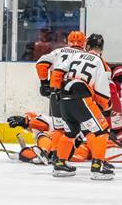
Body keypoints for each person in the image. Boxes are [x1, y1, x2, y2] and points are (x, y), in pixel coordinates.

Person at [49, 33, 114, 180]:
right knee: (102, 130)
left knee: (71, 131)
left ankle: (60, 164)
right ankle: (98, 166)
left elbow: (58, 71)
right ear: (101, 49)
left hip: (63, 97)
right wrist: (107, 106)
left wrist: (54, 89)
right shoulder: (101, 63)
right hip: (82, 98)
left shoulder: (75, 56)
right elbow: (102, 92)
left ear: (87, 46)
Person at [35, 31, 87, 163]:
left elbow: (41, 64)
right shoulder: (86, 56)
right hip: (76, 97)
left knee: (58, 128)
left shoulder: (58, 52)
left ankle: (53, 153)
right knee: (74, 129)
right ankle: (63, 156)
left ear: (68, 42)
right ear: (84, 43)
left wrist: (44, 83)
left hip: (56, 94)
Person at [85, 34, 122, 160]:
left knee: (95, 128)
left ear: (88, 45)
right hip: (113, 97)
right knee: (120, 128)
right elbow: (119, 72)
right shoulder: (104, 62)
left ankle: (98, 159)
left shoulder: (86, 59)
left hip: (100, 96)